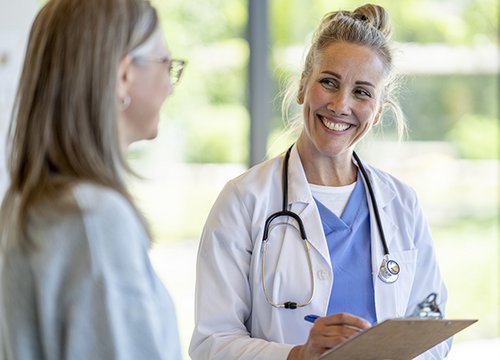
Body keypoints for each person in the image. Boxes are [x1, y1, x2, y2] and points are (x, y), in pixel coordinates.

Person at [190, 4, 450, 360]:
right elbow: (211, 343)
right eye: (329, 82)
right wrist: (298, 355)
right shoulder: (244, 199)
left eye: (362, 92)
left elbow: (432, 330)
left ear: (378, 113)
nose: (340, 105)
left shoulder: (401, 203)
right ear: (301, 87)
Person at [0, 0, 185, 359]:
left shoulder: (23, 202)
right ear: (124, 75)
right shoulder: (95, 218)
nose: (170, 86)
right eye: (166, 64)